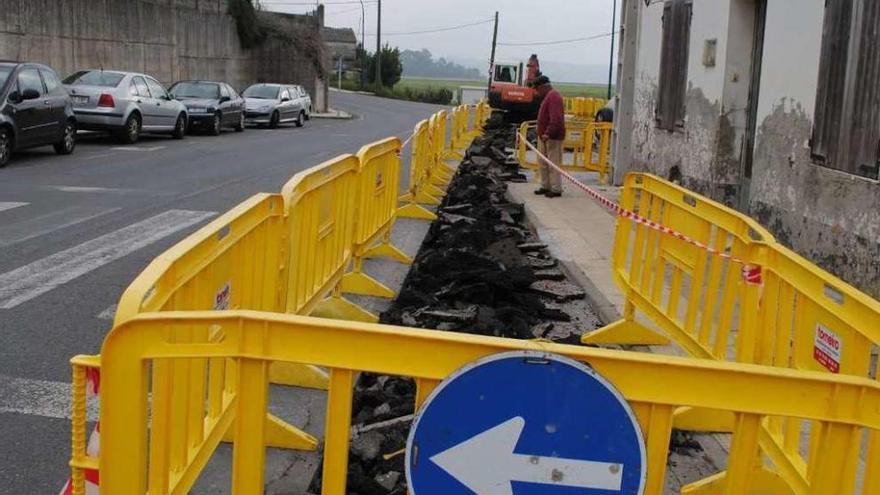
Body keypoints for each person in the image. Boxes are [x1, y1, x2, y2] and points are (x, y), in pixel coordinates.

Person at [532, 75, 565, 198]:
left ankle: (556, 188)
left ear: (542, 87)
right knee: (543, 162)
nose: (537, 92)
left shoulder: (553, 97)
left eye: (537, 89)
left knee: (553, 163)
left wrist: (548, 132)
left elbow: (556, 118)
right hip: (545, 136)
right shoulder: (549, 96)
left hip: (552, 137)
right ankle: (546, 185)